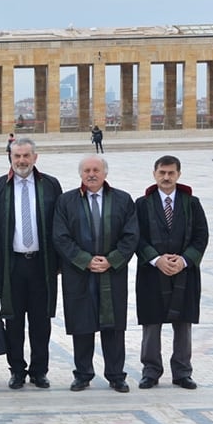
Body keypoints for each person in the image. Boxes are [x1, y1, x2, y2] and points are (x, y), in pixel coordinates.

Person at [52, 155, 138, 393]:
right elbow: (60, 236)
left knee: (113, 325)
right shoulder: (66, 201)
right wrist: (85, 260)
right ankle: (83, 374)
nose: (92, 174)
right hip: (79, 272)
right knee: (82, 324)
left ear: (105, 173)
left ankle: (116, 374)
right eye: (87, 170)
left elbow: (131, 235)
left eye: (96, 170)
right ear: (81, 174)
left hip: (112, 272)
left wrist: (111, 260)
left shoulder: (122, 199)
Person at [0, 137, 63, 390]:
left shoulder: (50, 185)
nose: (21, 161)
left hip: (41, 264)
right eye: (17, 156)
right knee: (13, 321)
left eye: (26, 156)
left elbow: (60, 227)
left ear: (35, 157)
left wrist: (59, 263)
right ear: (10, 157)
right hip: (12, 266)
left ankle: (39, 370)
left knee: (41, 322)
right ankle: (16, 369)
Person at [135, 155, 209, 390]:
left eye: (171, 173)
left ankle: (182, 371)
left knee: (183, 323)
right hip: (152, 271)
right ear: (154, 173)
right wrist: (156, 260)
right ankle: (151, 370)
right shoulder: (142, 204)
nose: (166, 178)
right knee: (151, 322)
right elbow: (136, 237)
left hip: (184, 272)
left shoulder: (191, 203)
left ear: (178, 174)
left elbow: (201, 236)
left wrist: (185, 260)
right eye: (162, 173)